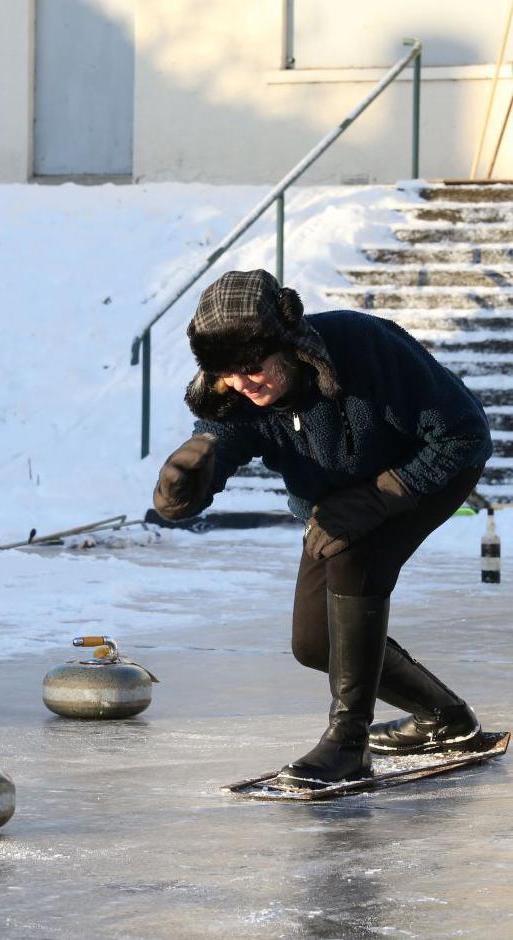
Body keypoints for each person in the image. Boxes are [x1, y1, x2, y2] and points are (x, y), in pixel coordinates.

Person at [153, 269, 493, 789]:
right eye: (228, 374)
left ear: (288, 345)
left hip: (426, 469)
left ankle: (348, 744)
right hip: (337, 500)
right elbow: (222, 440)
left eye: (253, 367)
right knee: (316, 643)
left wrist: (384, 495)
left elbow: (466, 434)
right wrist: (190, 479)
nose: (245, 384)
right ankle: (445, 718)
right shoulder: (238, 396)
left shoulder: (365, 346)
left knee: (356, 554)